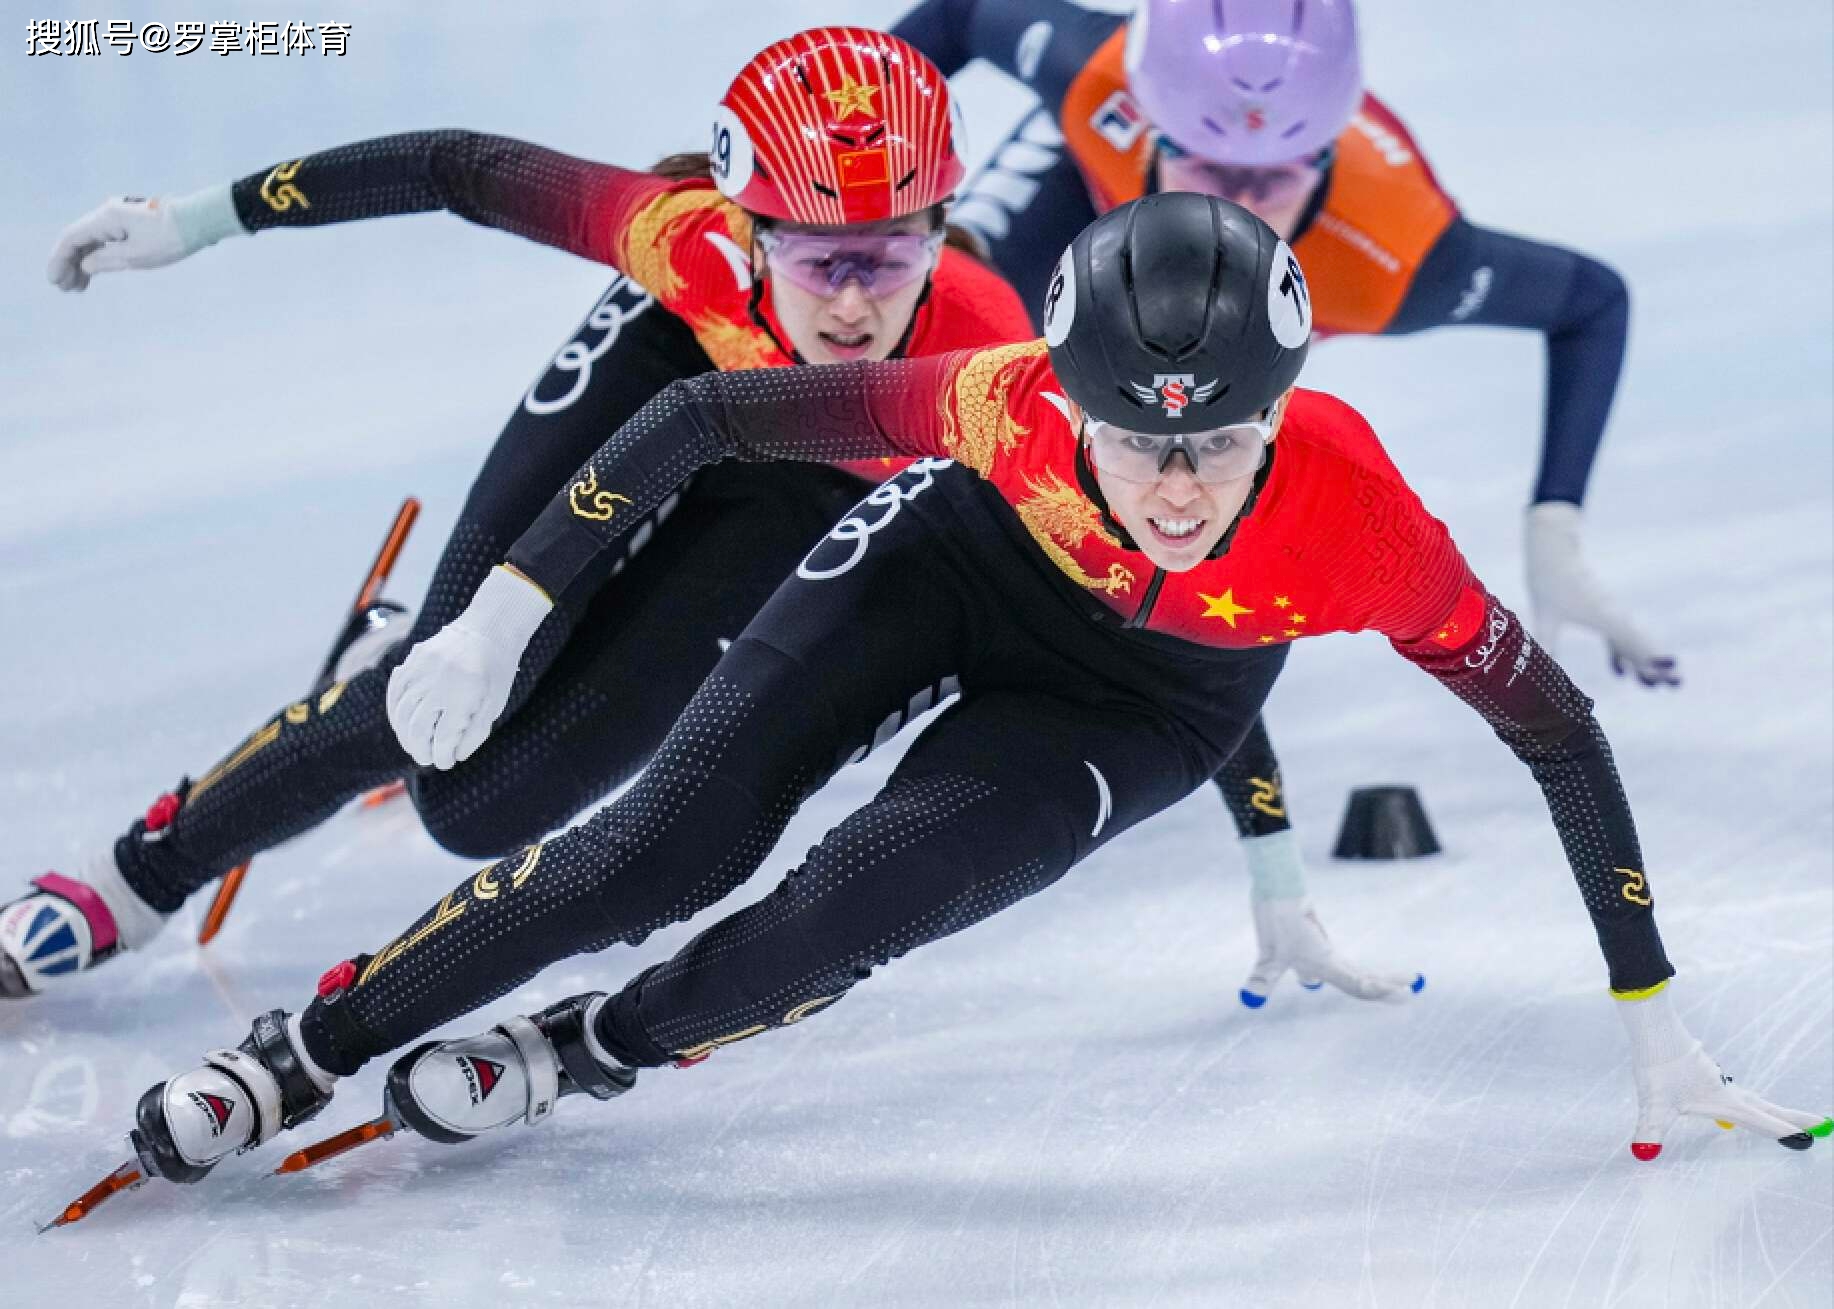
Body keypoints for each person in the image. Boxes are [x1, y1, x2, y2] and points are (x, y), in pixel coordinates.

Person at [118, 197, 1825, 1194]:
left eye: (1216, 440)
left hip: (1138, 702)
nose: (1170, 481)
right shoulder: (997, 399)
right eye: (1135, 436)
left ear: (1281, 409)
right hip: (954, 556)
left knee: (854, 898)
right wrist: (505, 613)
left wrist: (1645, 1009)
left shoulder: (1369, 534)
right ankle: (302, 1050)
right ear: (1064, 395)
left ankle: (588, 1046)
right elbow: (707, 418)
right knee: (651, 846)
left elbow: (1559, 735)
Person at [11, 29, 1415, 1015]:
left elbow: (1183, 595)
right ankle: (134, 874)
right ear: (743, 234)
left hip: (805, 466)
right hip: (667, 370)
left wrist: (1270, 859)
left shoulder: (993, 376)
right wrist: (197, 220)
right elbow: (453, 162)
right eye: (814, 256)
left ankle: (425, 668)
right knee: (416, 691)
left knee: (477, 807)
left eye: (894, 251)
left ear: (946, 230)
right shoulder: (674, 241)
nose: (855, 298)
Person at [892, 0, 1675, 689]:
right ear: (1151, 122)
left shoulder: (1398, 259)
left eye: (1273, 181)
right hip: (1087, 179)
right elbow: (961, 14)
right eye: (1206, 166)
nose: (1235, 205)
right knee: (938, 325)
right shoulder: (1097, 83)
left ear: (1327, 155)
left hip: (1164, 180)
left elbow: (1591, 304)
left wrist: (1554, 530)